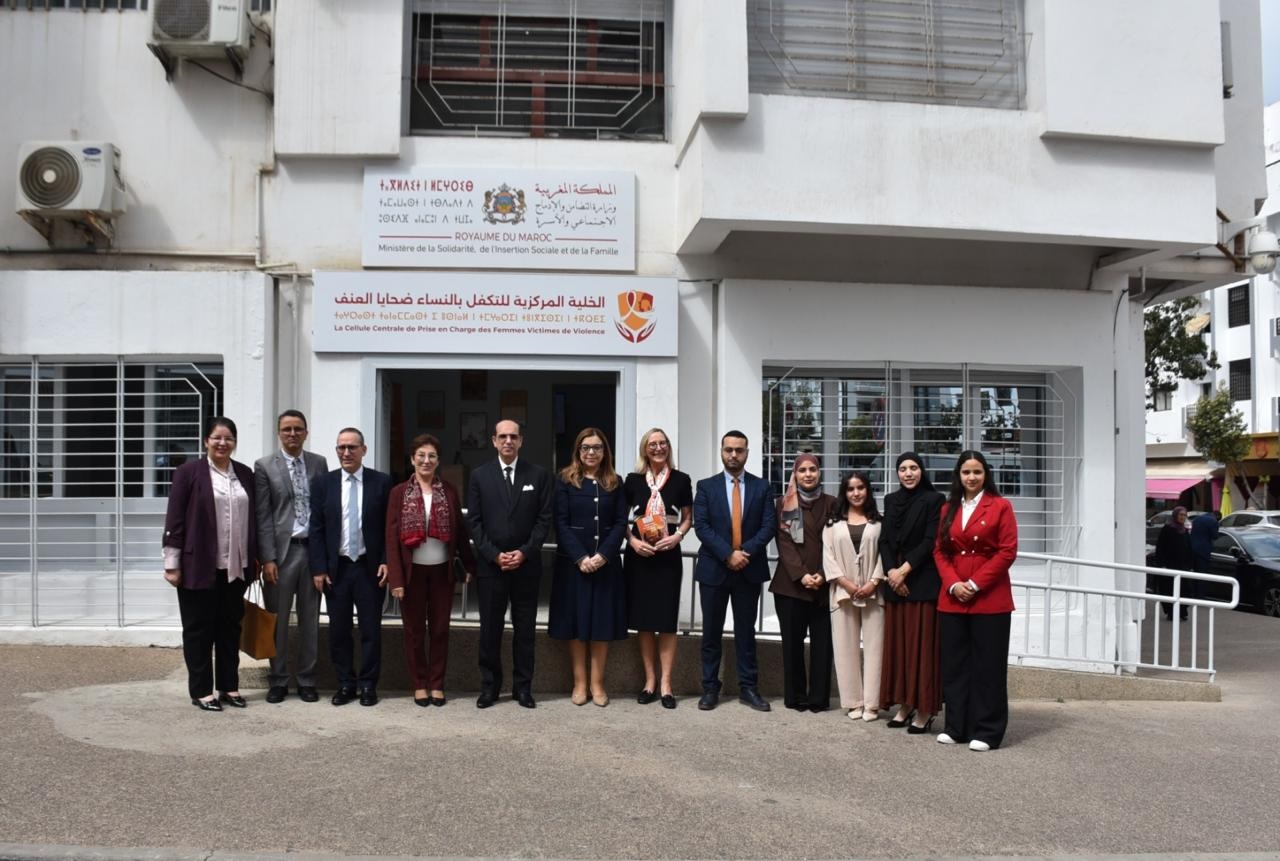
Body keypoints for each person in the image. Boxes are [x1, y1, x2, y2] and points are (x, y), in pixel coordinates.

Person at [162, 416, 257, 711]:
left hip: (235, 568)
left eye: (228, 438)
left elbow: (253, 518)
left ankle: (229, 686)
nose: (222, 443)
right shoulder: (188, 473)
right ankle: (202, 690)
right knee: (199, 630)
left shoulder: (244, 473)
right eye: (217, 437)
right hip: (197, 566)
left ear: (235, 443)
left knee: (230, 629)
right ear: (206, 441)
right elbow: (175, 518)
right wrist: (172, 563)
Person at [465, 419, 553, 709]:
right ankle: (490, 687)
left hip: (526, 566)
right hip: (492, 567)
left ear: (521, 441)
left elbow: (543, 520)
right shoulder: (480, 476)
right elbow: (474, 522)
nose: (508, 441)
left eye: (513, 436)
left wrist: (525, 552)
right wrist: (493, 554)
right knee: (490, 629)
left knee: (525, 630)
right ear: (493, 440)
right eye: (502, 436)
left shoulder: (538, 475)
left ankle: (522, 688)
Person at [934, 450, 1018, 752]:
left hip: (990, 598)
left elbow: (1007, 551)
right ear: (958, 475)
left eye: (977, 472)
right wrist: (954, 583)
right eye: (966, 472)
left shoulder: (1000, 507)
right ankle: (957, 726)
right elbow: (940, 551)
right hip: (953, 597)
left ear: (986, 474)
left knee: (988, 667)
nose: (971, 477)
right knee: (955, 666)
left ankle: (988, 730)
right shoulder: (948, 509)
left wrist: (974, 583)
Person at [386, 433, 475, 707]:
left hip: (441, 572)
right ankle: (419, 684)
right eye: (421, 456)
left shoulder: (448, 490)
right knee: (414, 632)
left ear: (438, 461)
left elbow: (460, 529)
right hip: (412, 574)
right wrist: (396, 579)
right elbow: (391, 538)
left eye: (432, 456)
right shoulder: (399, 492)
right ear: (412, 459)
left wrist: (469, 564)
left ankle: (437, 684)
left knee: (439, 629)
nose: (426, 461)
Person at [692, 430, 777, 712]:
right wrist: (728, 553)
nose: (733, 455)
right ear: (721, 451)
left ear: (747, 453)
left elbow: (768, 526)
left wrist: (745, 553)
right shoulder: (706, 486)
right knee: (711, 632)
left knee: (746, 632)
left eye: (739, 450)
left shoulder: (762, 487)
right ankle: (710, 688)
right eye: (728, 449)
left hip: (748, 570)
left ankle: (749, 688)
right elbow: (702, 526)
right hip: (714, 569)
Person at [309, 427, 393, 707]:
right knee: (339, 631)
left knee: (371, 630)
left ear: (364, 450)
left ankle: (369, 685)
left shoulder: (381, 483)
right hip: (337, 570)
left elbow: (387, 528)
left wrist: (385, 560)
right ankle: (346, 683)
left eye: (352, 447)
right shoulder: (324, 484)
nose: (346, 453)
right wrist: (319, 568)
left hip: (369, 569)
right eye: (341, 448)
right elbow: (317, 529)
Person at [253, 409, 329, 704]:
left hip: (311, 551)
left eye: (298, 429)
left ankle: (307, 680)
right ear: (278, 433)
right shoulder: (264, 466)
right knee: (278, 621)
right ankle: (279, 680)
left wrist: (323, 558)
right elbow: (263, 515)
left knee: (310, 620)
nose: (293, 434)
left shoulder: (318, 463)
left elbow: (323, 511)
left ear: (306, 433)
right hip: (281, 556)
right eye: (287, 429)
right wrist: (268, 558)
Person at [549, 428, 629, 706]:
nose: (591, 453)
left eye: (596, 447)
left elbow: (621, 522)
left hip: (605, 566)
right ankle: (580, 683)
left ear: (604, 451)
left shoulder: (615, 482)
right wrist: (581, 557)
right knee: (577, 624)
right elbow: (560, 522)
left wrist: (603, 555)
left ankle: (597, 684)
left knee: (601, 625)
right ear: (578, 452)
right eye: (585, 448)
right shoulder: (565, 480)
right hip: (574, 566)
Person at [622, 427, 692, 709]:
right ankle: (649, 681)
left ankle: (666, 684)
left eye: (663, 443)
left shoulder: (682, 479)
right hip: (640, 555)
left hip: (667, 555)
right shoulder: (633, 480)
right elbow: (621, 518)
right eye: (653, 444)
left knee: (666, 621)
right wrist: (632, 542)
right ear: (644, 449)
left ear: (669, 447)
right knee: (644, 621)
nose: (658, 448)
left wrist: (678, 536)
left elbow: (688, 517)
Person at [878, 451, 945, 734]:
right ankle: (905, 705)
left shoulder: (935, 500)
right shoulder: (891, 501)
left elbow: (931, 540)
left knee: (922, 650)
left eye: (913, 468)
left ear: (922, 471)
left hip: (922, 581)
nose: (908, 473)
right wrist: (892, 573)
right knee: (901, 650)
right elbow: (884, 541)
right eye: (903, 468)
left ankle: (926, 708)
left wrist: (904, 570)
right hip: (896, 584)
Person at [769, 453, 838, 712]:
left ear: (819, 473)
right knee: (792, 645)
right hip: (791, 586)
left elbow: (836, 542)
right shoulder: (782, 504)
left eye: (813, 469)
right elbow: (783, 542)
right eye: (802, 470)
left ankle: (819, 699)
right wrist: (802, 575)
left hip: (824, 584)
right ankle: (795, 697)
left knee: (823, 646)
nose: (808, 474)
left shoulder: (833, 503)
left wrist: (822, 572)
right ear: (795, 475)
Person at [822, 470, 886, 721]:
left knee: (876, 648)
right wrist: (846, 583)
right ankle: (853, 702)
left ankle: (872, 703)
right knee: (844, 648)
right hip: (842, 593)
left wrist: (873, 581)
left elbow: (885, 554)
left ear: (868, 490)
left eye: (861, 488)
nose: (856, 493)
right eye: (850, 489)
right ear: (844, 492)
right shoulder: (832, 524)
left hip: (874, 592)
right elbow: (827, 556)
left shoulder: (879, 522)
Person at [1154, 506, 1194, 621]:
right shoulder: (1168, 529)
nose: (1182, 517)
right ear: (1175, 515)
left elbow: (1189, 548)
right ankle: (1171, 612)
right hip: (1170, 566)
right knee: (1169, 590)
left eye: (1184, 515)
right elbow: (1160, 547)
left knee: (1185, 590)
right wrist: (1162, 564)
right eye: (1180, 515)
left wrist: (1190, 565)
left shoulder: (1184, 530)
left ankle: (1182, 611)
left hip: (1183, 567)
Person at [1188, 509, 1221, 611]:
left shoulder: (1197, 519)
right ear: (1217, 517)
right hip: (1203, 551)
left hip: (1192, 549)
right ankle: (1200, 597)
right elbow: (1215, 536)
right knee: (1202, 575)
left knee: (1194, 574)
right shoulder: (1213, 521)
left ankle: (1192, 595)